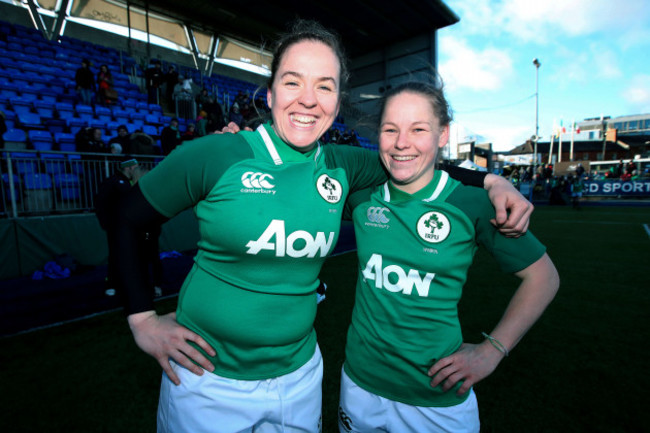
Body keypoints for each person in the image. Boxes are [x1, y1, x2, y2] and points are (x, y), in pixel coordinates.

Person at [116, 20, 533, 433]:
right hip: (207, 381)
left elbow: (417, 162)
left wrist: (493, 181)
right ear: (270, 92)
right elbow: (127, 219)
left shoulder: (341, 163)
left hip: (300, 379)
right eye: (293, 82)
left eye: (325, 86)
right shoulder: (217, 154)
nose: (309, 100)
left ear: (337, 101)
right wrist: (142, 320)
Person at [338, 81, 559, 433]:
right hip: (359, 386)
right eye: (390, 129)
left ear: (443, 135)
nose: (401, 142)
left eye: (418, 129)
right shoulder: (361, 196)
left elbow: (544, 277)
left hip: (436, 398)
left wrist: (492, 350)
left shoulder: (471, 203)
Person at [95, 158, 139, 296]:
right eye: (135, 167)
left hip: (130, 226)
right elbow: (100, 203)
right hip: (116, 226)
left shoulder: (130, 183)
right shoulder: (111, 182)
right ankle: (111, 283)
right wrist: (105, 223)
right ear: (128, 168)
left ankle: (128, 283)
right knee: (115, 255)